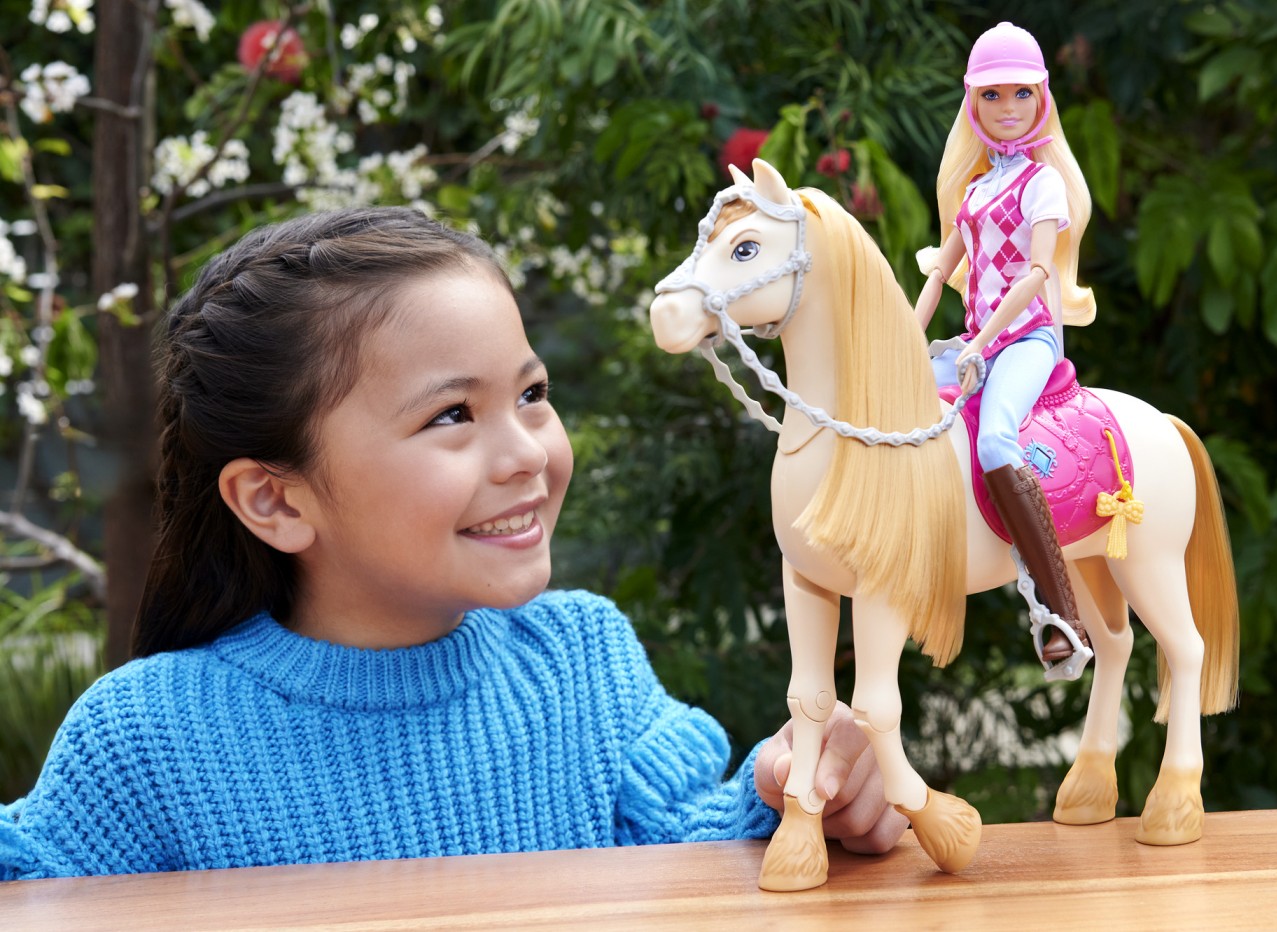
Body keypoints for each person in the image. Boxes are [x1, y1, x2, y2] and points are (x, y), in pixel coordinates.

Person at [0, 207, 904, 880]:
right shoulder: (149, 740)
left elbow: (685, 859)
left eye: (532, 395)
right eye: (451, 415)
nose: (527, 454)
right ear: (274, 499)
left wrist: (794, 796)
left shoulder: (581, 663)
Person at [913, 21, 1098, 667]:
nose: (1007, 107)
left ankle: (1059, 610)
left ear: (1041, 99)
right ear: (973, 104)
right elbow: (940, 272)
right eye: (992, 95)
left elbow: (1038, 272)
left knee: (994, 438)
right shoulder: (974, 190)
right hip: (977, 341)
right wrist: (904, 341)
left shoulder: (1042, 184)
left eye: (1021, 93)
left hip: (1027, 339)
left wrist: (983, 343)